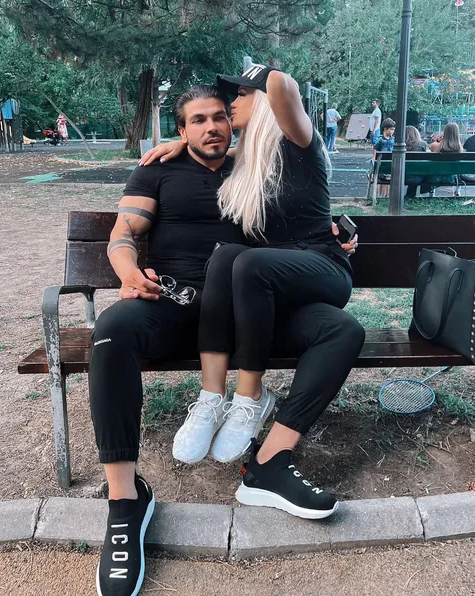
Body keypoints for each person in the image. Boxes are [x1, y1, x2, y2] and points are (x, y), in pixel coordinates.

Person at [91, 82, 362, 596]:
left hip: (253, 311)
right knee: (111, 331)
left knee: (341, 329)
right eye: (197, 120)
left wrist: (340, 234)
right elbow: (123, 232)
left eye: (220, 116)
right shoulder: (158, 169)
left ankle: (270, 462)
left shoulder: (253, 163)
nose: (212, 126)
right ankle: (125, 501)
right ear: (181, 129)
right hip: (175, 305)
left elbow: (300, 195)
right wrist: (128, 272)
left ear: (235, 123)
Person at [144, 66, 364, 518]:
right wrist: (182, 143)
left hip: (321, 267)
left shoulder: (299, 142)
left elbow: (281, 84)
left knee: (245, 261)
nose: (231, 104)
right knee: (342, 331)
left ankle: (248, 399)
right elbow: (208, 151)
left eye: (240, 94)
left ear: (261, 101)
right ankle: (265, 462)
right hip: (271, 293)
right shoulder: (247, 164)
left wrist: (260, 78)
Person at [427, 122, 464, 196]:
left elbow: (430, 148)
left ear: (445, 133)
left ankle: (431, 193)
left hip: (435, 177)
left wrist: (439, 139)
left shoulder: (435, 145)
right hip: (451, 178)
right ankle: (457, 191)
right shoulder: (460, 149)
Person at [372, 118, 395, 197]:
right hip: (381, 161)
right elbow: (375, 149)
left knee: (388, 178)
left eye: (393, 130)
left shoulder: (393, 140)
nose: (393, 131)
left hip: (390, 161)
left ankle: (386, 194)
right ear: (385, 129)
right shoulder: (380, 139)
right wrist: (374, 158)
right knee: (380, 178)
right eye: (391, 129)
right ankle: (379, 195)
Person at [404, 125, 429, 198]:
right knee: (417, 169)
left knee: (411, 170)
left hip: (401, 177)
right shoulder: (423, 144)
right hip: (418, 177)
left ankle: (409, 196)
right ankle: (411, 195)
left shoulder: (400, 146)